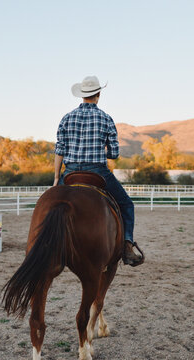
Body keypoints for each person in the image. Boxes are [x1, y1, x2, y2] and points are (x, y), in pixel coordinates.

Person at [53, 76, 143, 267]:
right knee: (127, 205)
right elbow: (115, 153)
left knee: (50, 206)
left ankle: (44, 244)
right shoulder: (106, 118)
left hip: (69, 173)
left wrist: (55, 178)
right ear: (98, 94)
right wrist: (103, 150)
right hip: (97, 172)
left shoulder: (67, 118)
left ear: (82, 95)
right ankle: (127, 246)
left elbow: (59, 150)